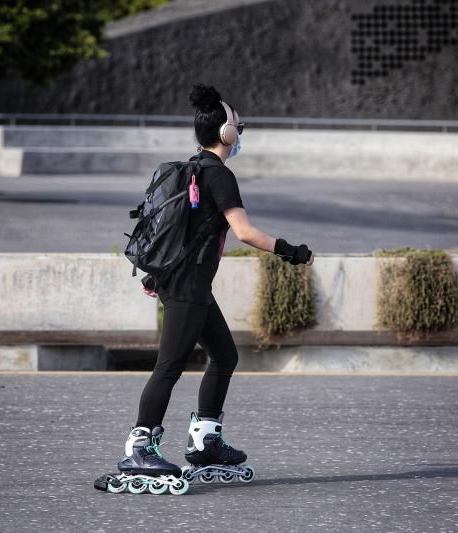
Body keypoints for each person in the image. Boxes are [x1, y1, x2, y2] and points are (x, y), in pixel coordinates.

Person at [101, 83, 314, 495]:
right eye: (239, 124)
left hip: (184, 283)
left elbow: (180, 232)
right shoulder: (219, 175)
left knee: (225, 355)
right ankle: (140, 447)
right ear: (226, 134)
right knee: (170, 366)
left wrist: (155, 275)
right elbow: (245, 232)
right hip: (188, 288)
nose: (241, 131)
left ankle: (204, 441)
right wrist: (293, 251)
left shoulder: (192, 168)